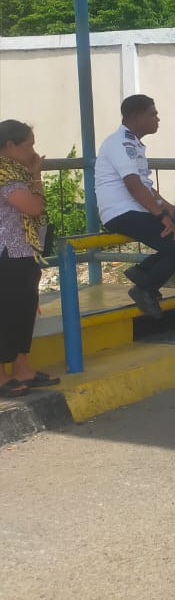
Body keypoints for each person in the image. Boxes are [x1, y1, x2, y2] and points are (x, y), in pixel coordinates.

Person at [96, 94, 175, 319]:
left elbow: (147, 188)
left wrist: (171, 209)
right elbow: (133, 186)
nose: (157, 119)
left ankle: (142, 272)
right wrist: (162, 217)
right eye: (153, 114)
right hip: (121, 213)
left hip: (139, 208)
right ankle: (143, 288)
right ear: (135, 117)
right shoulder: (120, 143)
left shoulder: (134, 143)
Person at [0, 120, 60, 398]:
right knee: (6, 312)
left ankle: (23, 368)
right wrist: (36, 177)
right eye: (29, 145)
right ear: (10, 146)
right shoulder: (4, 173)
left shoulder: (17, 171)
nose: (33, 152)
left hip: (23, 250)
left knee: (24, 310)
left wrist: (31, 175)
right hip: (6, 253)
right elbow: (33, 207)